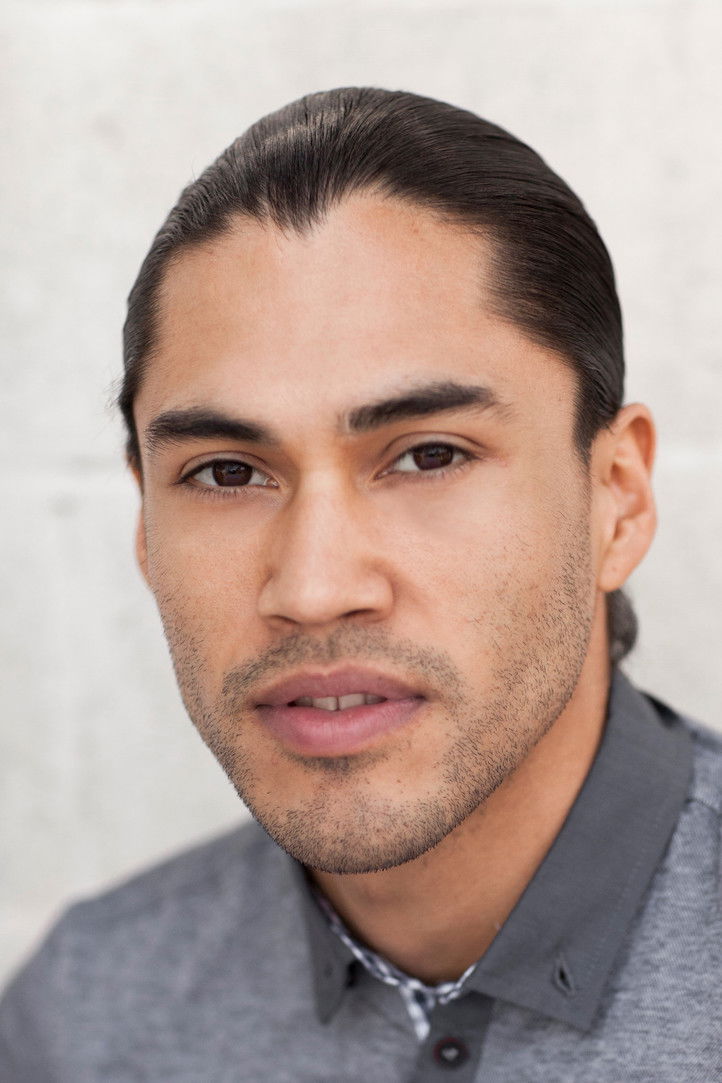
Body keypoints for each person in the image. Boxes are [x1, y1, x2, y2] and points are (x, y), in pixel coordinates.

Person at [0, 86, 719, 1082]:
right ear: (144, 530)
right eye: (226, 473)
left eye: (428, 455)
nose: (313, 586)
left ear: (617, 500)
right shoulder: (83, 1016)